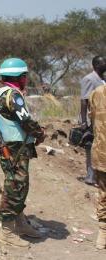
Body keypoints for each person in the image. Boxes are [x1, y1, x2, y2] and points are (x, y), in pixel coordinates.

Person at [0, 58, 46, 247]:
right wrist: (40, 133)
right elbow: (26, 121)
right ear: (20, 76)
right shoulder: (12, 95)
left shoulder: (1, 93)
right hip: (15, 147)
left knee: (19, 185)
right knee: (15, 186)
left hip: (12, 146)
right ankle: (7, 231)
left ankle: (20, 223)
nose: (26, 79)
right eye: (25, 76)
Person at [79, 56, 106, 186]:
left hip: (103, 120)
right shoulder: (89, 79)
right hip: (93, 120)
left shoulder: (103, 79)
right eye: (103, 62)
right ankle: (91, 177)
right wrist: (84, 122)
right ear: (96, 64)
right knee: (92, 147)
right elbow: (84, 101)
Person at [89, 82, 106, 250]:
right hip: (103, 153)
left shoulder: (97, 93)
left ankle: (103, 233)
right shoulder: (97, 93)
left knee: (103, 194)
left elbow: (92, 118)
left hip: (102, 152)